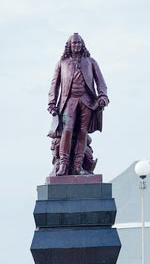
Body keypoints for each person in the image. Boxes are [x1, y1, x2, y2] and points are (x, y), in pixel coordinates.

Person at [47, 33, 110, 176]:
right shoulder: (62, 63)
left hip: (87, 102)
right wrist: (52, 103)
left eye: (78, 43)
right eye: (74, 43)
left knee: (83, 132)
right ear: (69, 45)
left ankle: (77, 166)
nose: (76, 45)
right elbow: (54, 85)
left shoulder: (91, 62)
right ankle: (63, 165)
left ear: (82, 44)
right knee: (67, 131)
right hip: (68, 101)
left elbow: (101, 82)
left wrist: (103, 96)